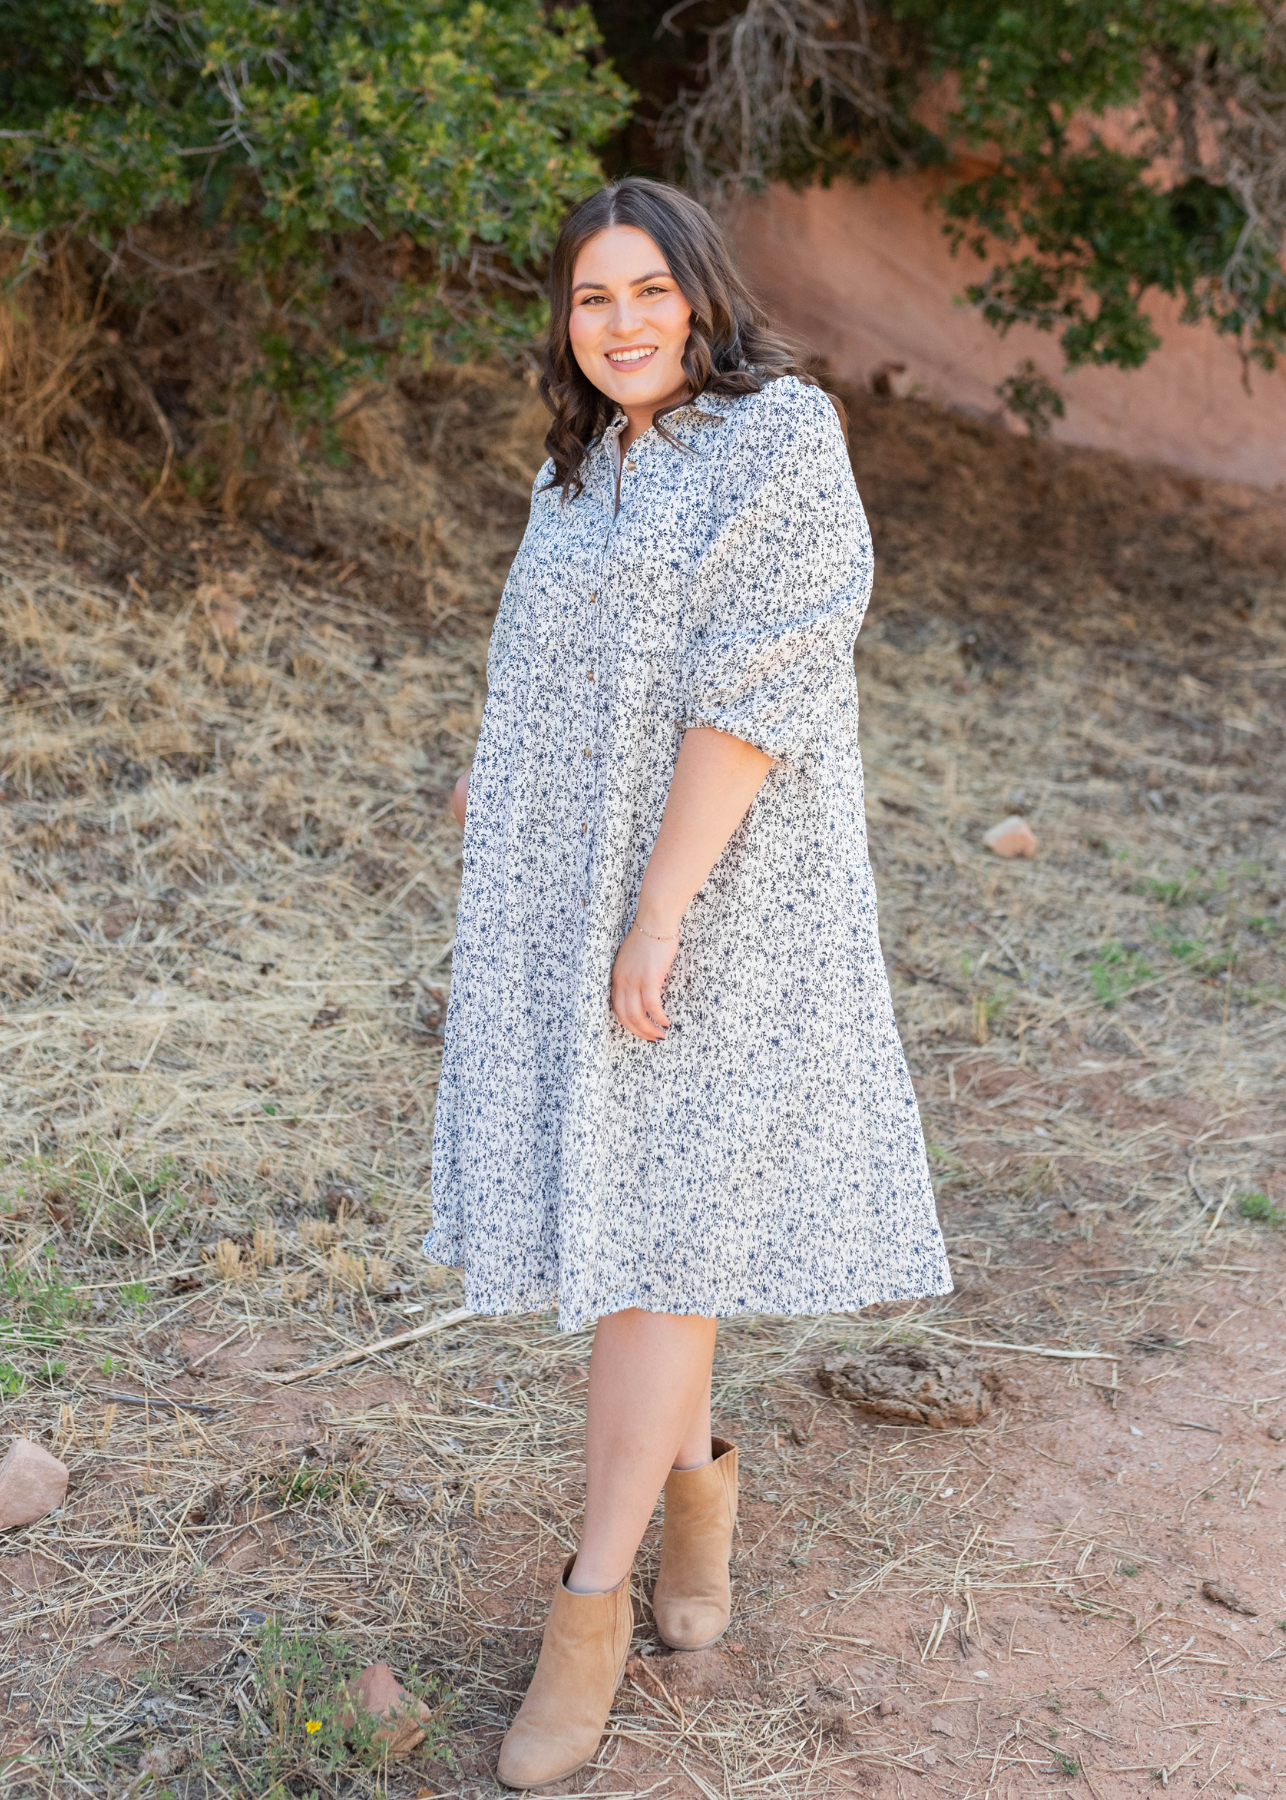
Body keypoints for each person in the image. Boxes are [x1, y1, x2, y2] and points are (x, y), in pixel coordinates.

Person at [424, 176, 952, 1788]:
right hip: (576, 889)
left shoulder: (779, 440)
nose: (623, 322)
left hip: (720, 901)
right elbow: (552, 662)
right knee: (657, 1228)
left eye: (648, 290)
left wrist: (657, 913)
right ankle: (699, 1491)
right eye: (592, 299)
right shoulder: (578, 461)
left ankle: (585, 1612)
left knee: (649, 1252)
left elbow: (752, 690)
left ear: (702, 296)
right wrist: (492, 771)